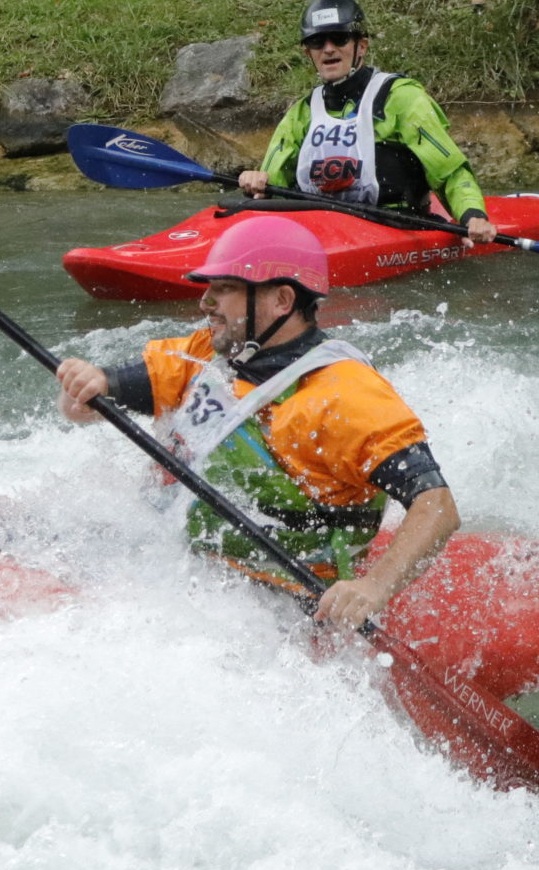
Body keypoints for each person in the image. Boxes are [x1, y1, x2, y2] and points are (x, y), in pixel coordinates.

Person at [51, 218, 458, 627]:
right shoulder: (207, 355)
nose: (205, 302)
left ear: (282, 300)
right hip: (176, 560)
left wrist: (374, 588)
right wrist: (86, 388)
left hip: (281, 602)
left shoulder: (344, 397)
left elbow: (438, 507)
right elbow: (99, 393)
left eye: (224, 289)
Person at [237, 0, 500, 245]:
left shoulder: (401, 98)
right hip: (319, 226)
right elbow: (271, 184)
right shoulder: (302, 112)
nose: (328, 49)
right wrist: (257, 182)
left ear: (361, 46)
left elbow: (449, 171)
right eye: (318, 42)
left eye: (339, 38)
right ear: (309, 54)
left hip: (394, 224)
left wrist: (472, 215)